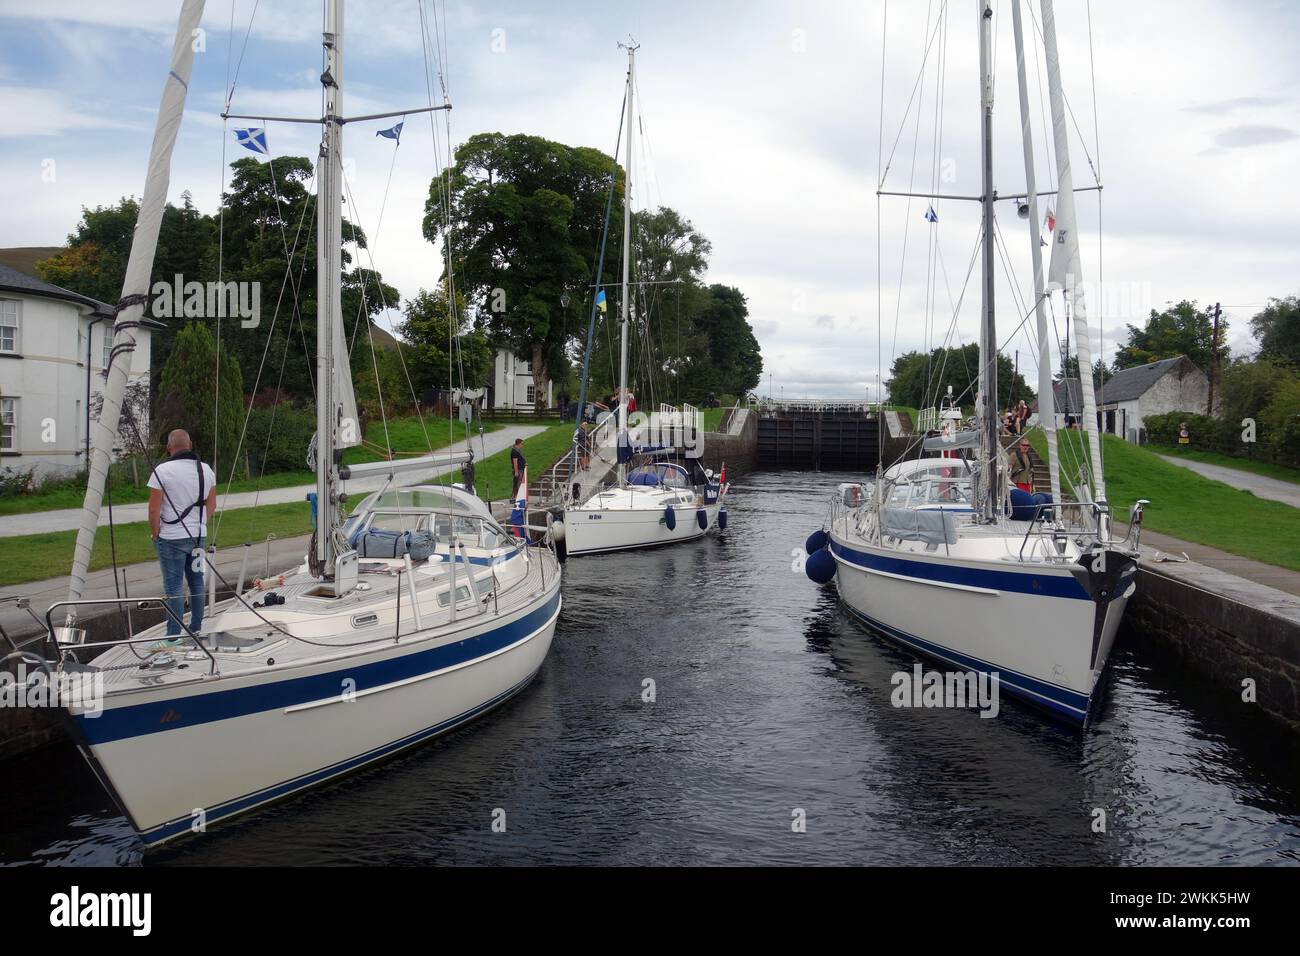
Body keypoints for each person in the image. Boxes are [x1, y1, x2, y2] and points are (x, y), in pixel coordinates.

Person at [148, 429, 217, 638]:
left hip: (170, 539)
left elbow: (154, 509)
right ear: (190, 445)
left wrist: (156, 533)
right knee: (197, 581)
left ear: (169, 447)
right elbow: (211, 504)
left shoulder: (162, 471)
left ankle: (173, 635)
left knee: (174, 587)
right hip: (198, 537)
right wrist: (199, 524)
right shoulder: (206, 470)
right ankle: (196, 628)